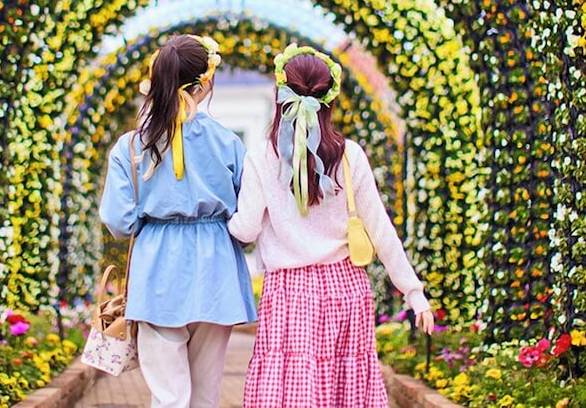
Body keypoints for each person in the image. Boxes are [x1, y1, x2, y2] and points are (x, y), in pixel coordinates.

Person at [228, 44, 435, 408]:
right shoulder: (349, 155)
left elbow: (245, 230)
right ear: (330, 99)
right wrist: (413, 293)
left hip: (289, 293)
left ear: (281, 97)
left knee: (291, 392)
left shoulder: (262, 156)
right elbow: (380, 230)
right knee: (344, 391)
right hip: (345, 289)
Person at [99, 34, 257, 408]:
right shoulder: (229, 143)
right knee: (206, 395)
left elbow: (118, 221)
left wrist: (152, 219)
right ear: (206, 82)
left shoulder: (131, 145)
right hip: (217, 271)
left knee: (168, 395)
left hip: (157, 272)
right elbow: (248, 215)